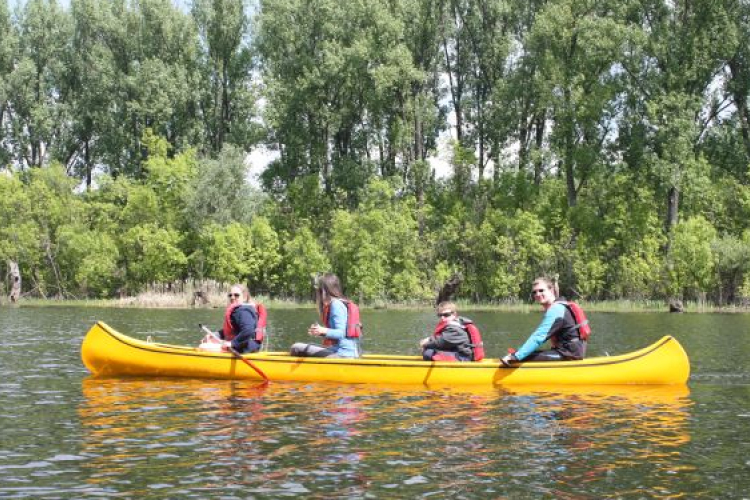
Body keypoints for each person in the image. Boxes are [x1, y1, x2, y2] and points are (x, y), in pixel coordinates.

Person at [501, 277, 588, 366]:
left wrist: (516, 356)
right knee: (526, 353)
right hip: (570, 352)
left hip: (569, 354)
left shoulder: (556, 309)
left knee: (522, 356)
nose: (537, 294)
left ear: (551, 290)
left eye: (541, 290)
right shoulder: (559, 306)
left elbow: (539, 336)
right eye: (534, 292)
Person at [290, 273, 361, 358]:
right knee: (308, 345)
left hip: (342, 354)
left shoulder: (336, 304)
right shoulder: (338, 303)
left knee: (296, 347)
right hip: (340, 351)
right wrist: (320, 332)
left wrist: (323, 330)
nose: (318, 293)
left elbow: (340, 333)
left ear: (324, 290)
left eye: (320, 289)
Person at [201, 284, 262, 354]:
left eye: (236, 295)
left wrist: (232, 343)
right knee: (209, 341)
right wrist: (215, 335)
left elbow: (248, 330)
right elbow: (231, 330)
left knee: (203, 347)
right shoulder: (237, 310)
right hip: (242, 345)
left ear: (244, 297)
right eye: (230, 295)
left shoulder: (244, 311)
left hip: (246, 347)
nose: (232, 297)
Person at [420, 301, 484, 362]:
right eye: (440, 315)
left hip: (464, 357)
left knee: (428, 353)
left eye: (446, 314)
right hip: (459, 353)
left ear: (454, 314)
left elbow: (442, 341)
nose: (442, 317)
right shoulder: (456, 323)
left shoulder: (455, 328)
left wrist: (425, 344)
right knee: (430, 350)